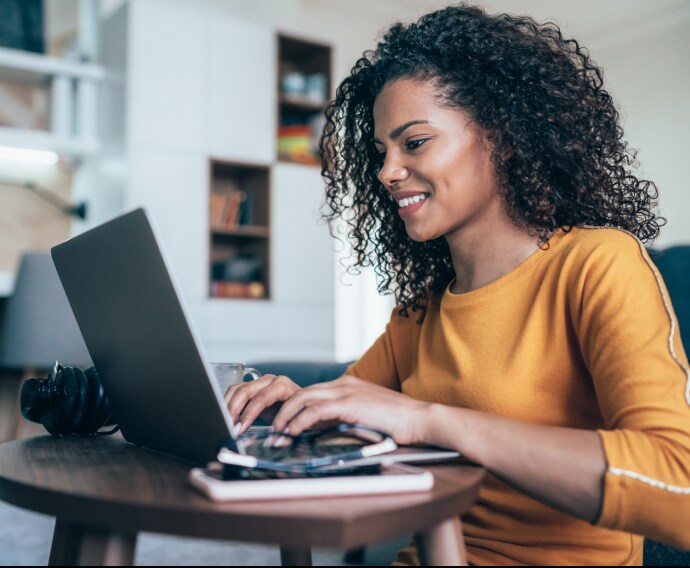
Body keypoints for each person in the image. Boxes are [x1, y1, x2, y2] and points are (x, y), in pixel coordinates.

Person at [225, 3, 690, 565]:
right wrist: (290, 408)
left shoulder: (597, 265)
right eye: (380, 152)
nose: (386, 171)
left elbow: (677, 493)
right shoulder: (421, 309)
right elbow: (351, 418)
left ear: (505, 138)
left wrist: (430, 421)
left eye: (414, 142)